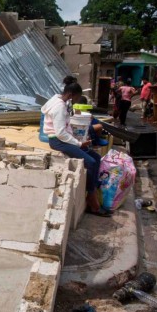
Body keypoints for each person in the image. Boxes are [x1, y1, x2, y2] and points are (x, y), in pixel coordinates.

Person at [41, 76, 108, 217]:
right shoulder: (59, 107)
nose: (77, 100)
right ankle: (92, 198)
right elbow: (60, 133)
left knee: (95, 156)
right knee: (90, 162)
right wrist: (78, 143)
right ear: (71, 95)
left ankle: (92, 191)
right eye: (77, 97)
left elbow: (65, 127)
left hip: (63, 138)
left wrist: (78, 139)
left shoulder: (58, 100)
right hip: (57, 141)